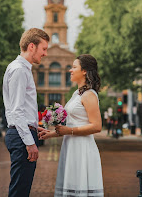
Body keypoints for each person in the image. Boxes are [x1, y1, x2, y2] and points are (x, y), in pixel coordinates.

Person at [40, 54, 104, 196]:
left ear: (84, 71)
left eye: (74, 67)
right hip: (71, 147)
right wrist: (50, 133)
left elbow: (97, 126)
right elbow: (71, 124)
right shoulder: (77, 94)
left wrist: (69, 130)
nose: (70, 70)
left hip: (82, 148)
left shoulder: (89, 95)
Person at [3, 28, 50, 197]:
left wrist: (35, 130)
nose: (45, 54)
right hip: (22, 138)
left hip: (23, 134)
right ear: (32, 46)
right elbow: (17, 111)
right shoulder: (19, 70)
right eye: (43, 49)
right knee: (19, 192)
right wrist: (30, 143)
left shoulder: (22, 69)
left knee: (21, 190)